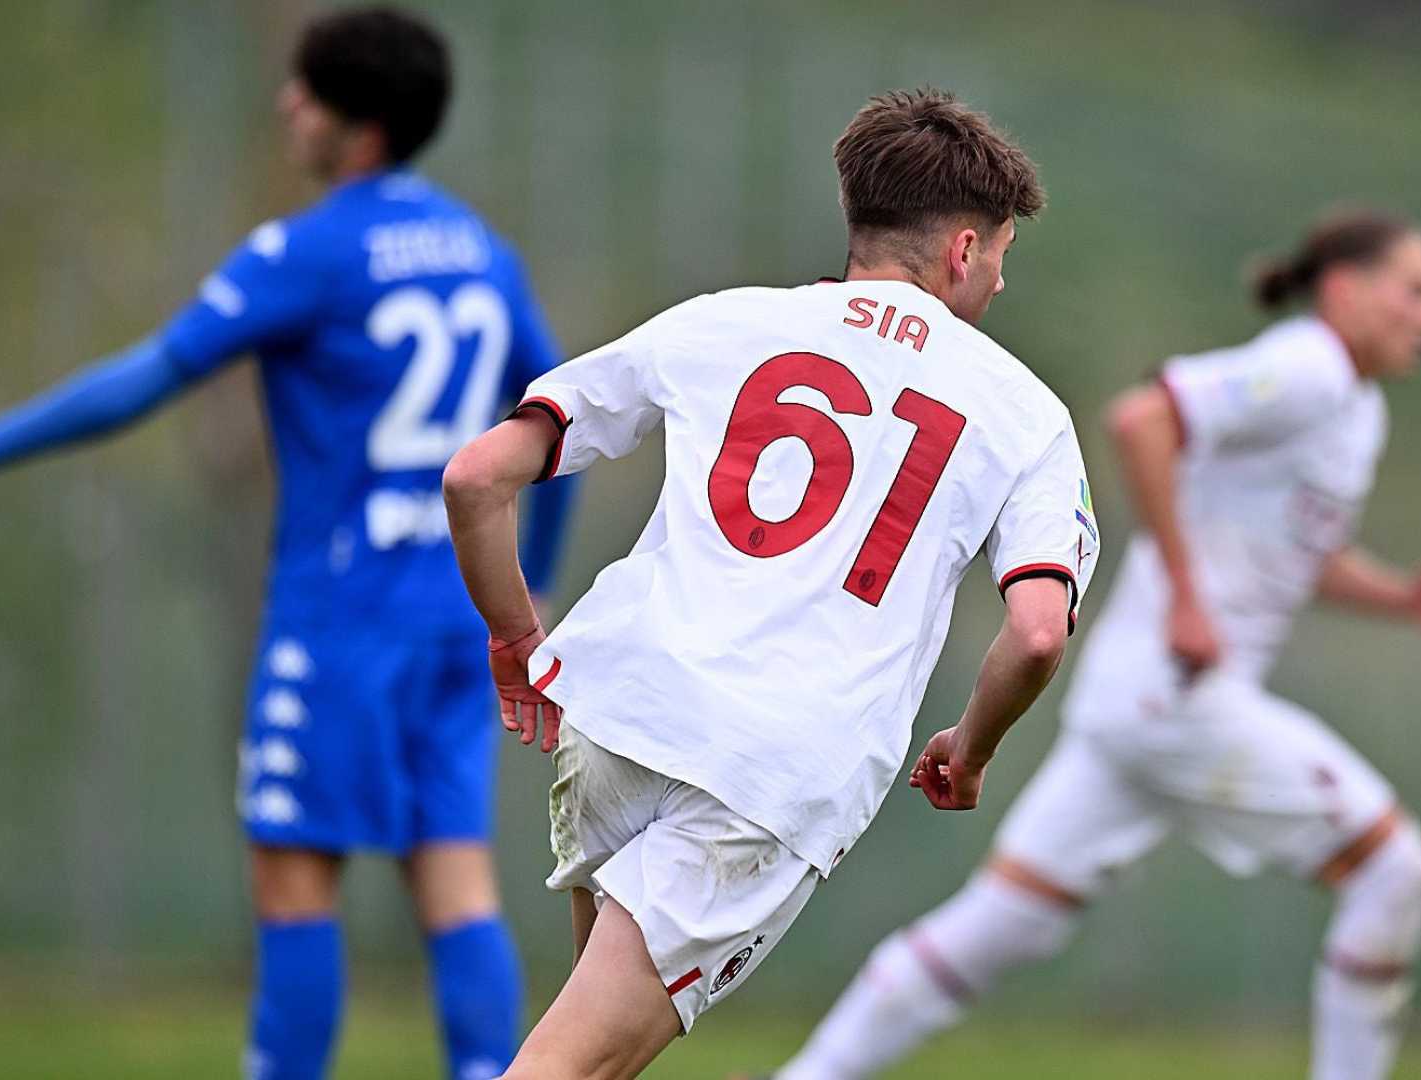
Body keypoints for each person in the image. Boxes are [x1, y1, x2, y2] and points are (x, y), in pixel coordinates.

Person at [0, 8, 574, 1079]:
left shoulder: (310, 251)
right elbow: (554, 416)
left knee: (294, 879)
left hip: (341, 622)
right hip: (458, 621)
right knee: (455, 879)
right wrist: (526, 584)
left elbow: (155, 372)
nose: (285, 106)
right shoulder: (481, 251)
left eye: (305, 92)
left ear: (356, 127)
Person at [440, 88, 1099, 1079]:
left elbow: (478, 475)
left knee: (591, 1060)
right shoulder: (1024, 411)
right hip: (768, 770)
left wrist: (515, 638)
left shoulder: (725, 321)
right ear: (965, 250)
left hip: (621, 714)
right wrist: (973, 744)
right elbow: (1039, 632)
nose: (1001, 281)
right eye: (1003, 253)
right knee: (565, 1069)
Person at [770, 207, 1421, 1080]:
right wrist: (1185, 598)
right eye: (1416, 291)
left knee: (1002, 921)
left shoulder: (1353, 408)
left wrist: (1405, 596)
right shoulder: (1309, 370)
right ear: (1344, 289)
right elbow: (1144, 419)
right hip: (1181, 697)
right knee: (1395, 874)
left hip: (1142, 702)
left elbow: (1300, 556)